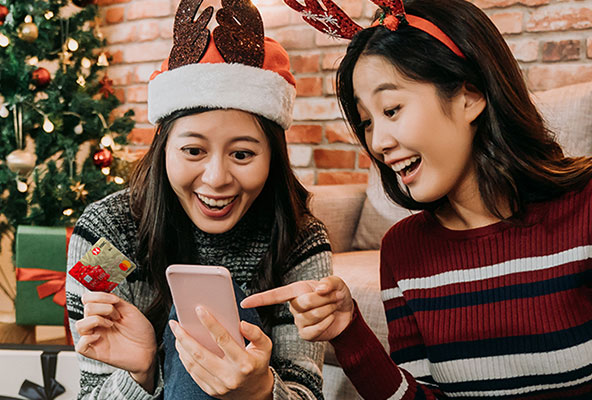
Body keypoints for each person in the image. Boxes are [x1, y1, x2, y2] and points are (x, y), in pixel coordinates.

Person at [243, 0, 592, 397]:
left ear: (470, 96)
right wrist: (347, 330)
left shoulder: (584, 207)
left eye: (392, 109)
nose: (378, 142)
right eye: (367, 121)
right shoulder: (403, 250)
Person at [65, 0, 331, 398]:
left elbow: (306, 391)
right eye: (194, 151)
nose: (216, 179)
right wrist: (140, 372)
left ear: (272, 158)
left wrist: (261, 389)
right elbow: (90, 390)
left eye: (242, 154)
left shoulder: (298, 238)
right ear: (164, 149)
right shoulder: (106, 236)